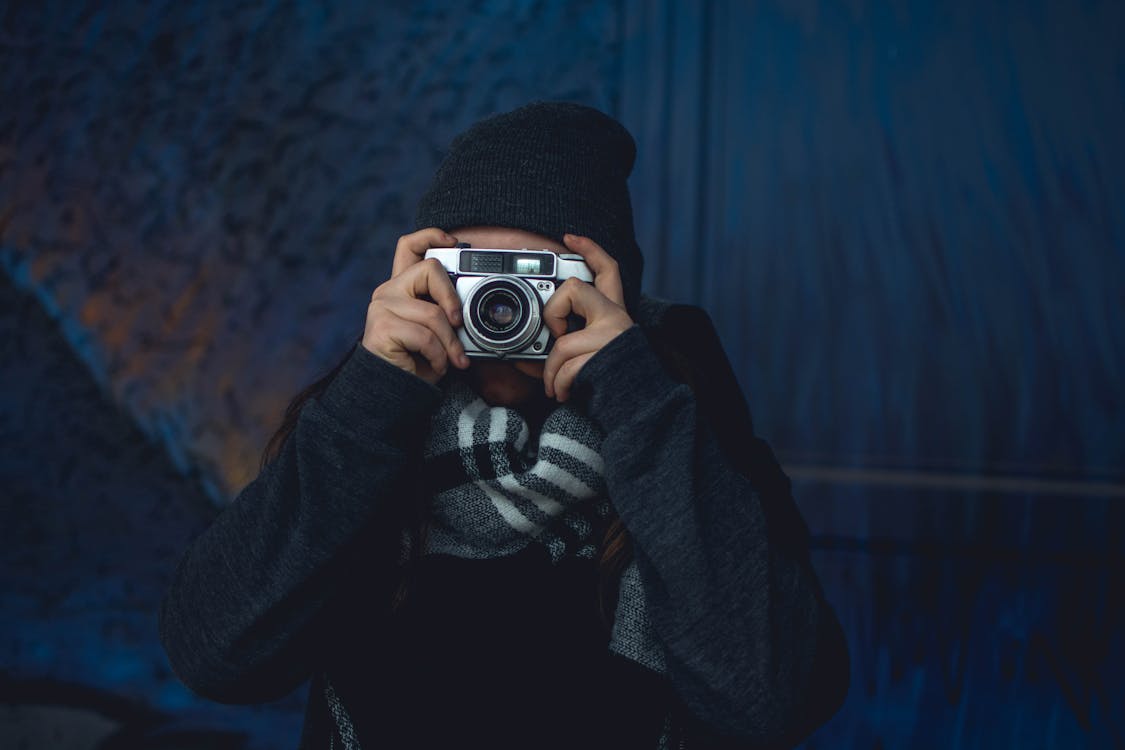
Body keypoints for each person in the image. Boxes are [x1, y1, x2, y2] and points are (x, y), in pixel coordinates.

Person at [159, 102, 849, 749]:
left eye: (532, 279)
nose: (498, 306)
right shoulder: (370, 419)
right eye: (470, 276)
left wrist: (635, 393)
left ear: (607, 294)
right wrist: (374, 390)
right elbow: (216, 657)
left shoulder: (673, 418)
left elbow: (772, 700)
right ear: (421, 276)